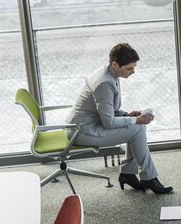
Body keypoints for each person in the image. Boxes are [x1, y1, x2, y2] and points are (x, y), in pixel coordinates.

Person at [65, 43, 172, 194]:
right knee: (137, 129)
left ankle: (130, 174)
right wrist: (136, 120)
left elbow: (108, 111)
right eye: (129, 68)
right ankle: (146, 177)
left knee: (137, 128)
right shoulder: (104, 83)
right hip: (82, 132)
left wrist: (126, 115)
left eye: (134, 67)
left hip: (86, 125)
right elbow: (108, 123)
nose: (133, 72)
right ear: (114, 64)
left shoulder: (109, 72)